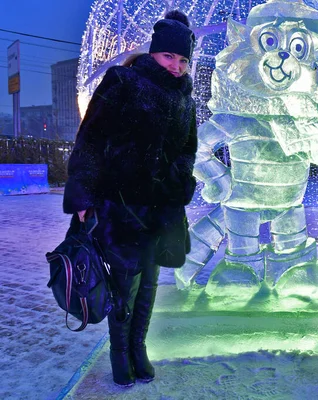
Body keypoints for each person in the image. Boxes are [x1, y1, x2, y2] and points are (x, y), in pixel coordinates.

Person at [62, 10, 197, 387]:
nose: (176, 66)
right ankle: (119, 353)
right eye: (170, 56)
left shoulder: (185, 97)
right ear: (154, 52)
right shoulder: (122, 81)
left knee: (150, 283)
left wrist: (177, 179)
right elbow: (90, 139)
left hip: (160, 207)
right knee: (124, 283)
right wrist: (84, 194)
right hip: (119, 203)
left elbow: (188, 148)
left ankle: (138, 347)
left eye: (183, 59)